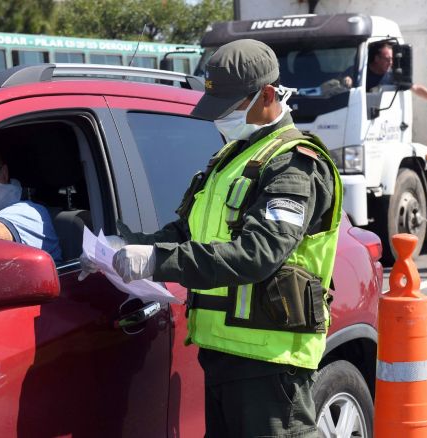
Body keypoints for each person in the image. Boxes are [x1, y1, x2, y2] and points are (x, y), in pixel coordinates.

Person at [88, 39, 342, 437]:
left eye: (230, 107)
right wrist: (126, 247)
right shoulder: (232, 158)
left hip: (270, 359)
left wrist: (157, 262)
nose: (221, 118)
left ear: (268, 95)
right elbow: (187, 232)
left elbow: (258, 254)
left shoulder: (293, 165)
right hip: (225, 351)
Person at [362, 42, 427, 111]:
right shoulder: (360, 73)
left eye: (392, 60)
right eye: (387, 59)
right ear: (376, 58)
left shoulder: (393, 75)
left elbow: (417, 88)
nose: (391, 63)